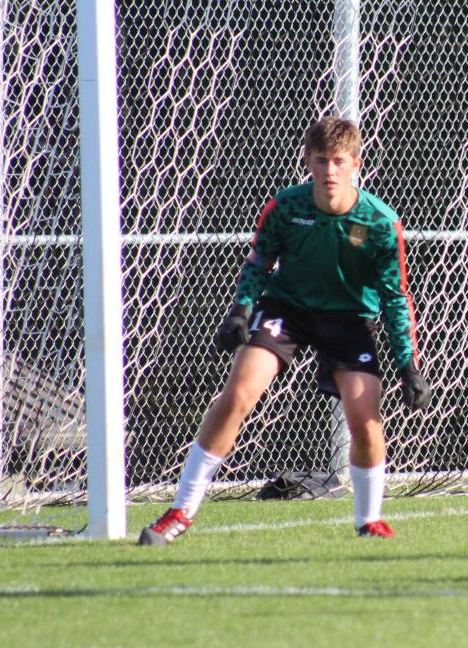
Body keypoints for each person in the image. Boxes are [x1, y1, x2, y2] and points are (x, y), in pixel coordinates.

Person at [139, 116, 430, 545]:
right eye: (320, 161)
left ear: (356, 164)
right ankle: (181, 510)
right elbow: (259, 262)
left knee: (365, 421)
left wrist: (408, 365)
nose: (329, 171)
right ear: (308, 163)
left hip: (349, 320)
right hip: (287, 311)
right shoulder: (286, 207)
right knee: (237, 395)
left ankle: (369, 521)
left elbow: (395, 296)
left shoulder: (380, 222)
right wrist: (239, 312)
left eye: (338, 161)